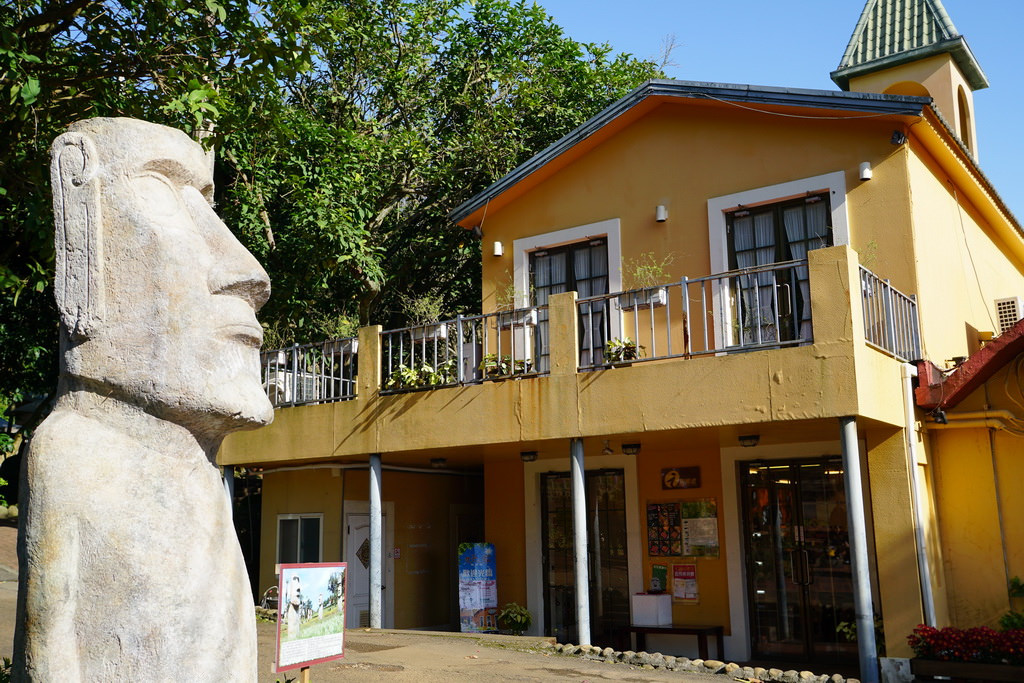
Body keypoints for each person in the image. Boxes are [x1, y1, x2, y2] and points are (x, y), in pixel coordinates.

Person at [14, 118, 274, 682]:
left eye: (208, 204)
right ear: (82, 239)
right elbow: (49, 653)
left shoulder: (203, 474)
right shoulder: (72, 450)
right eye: (164, 191)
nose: (248, 274)